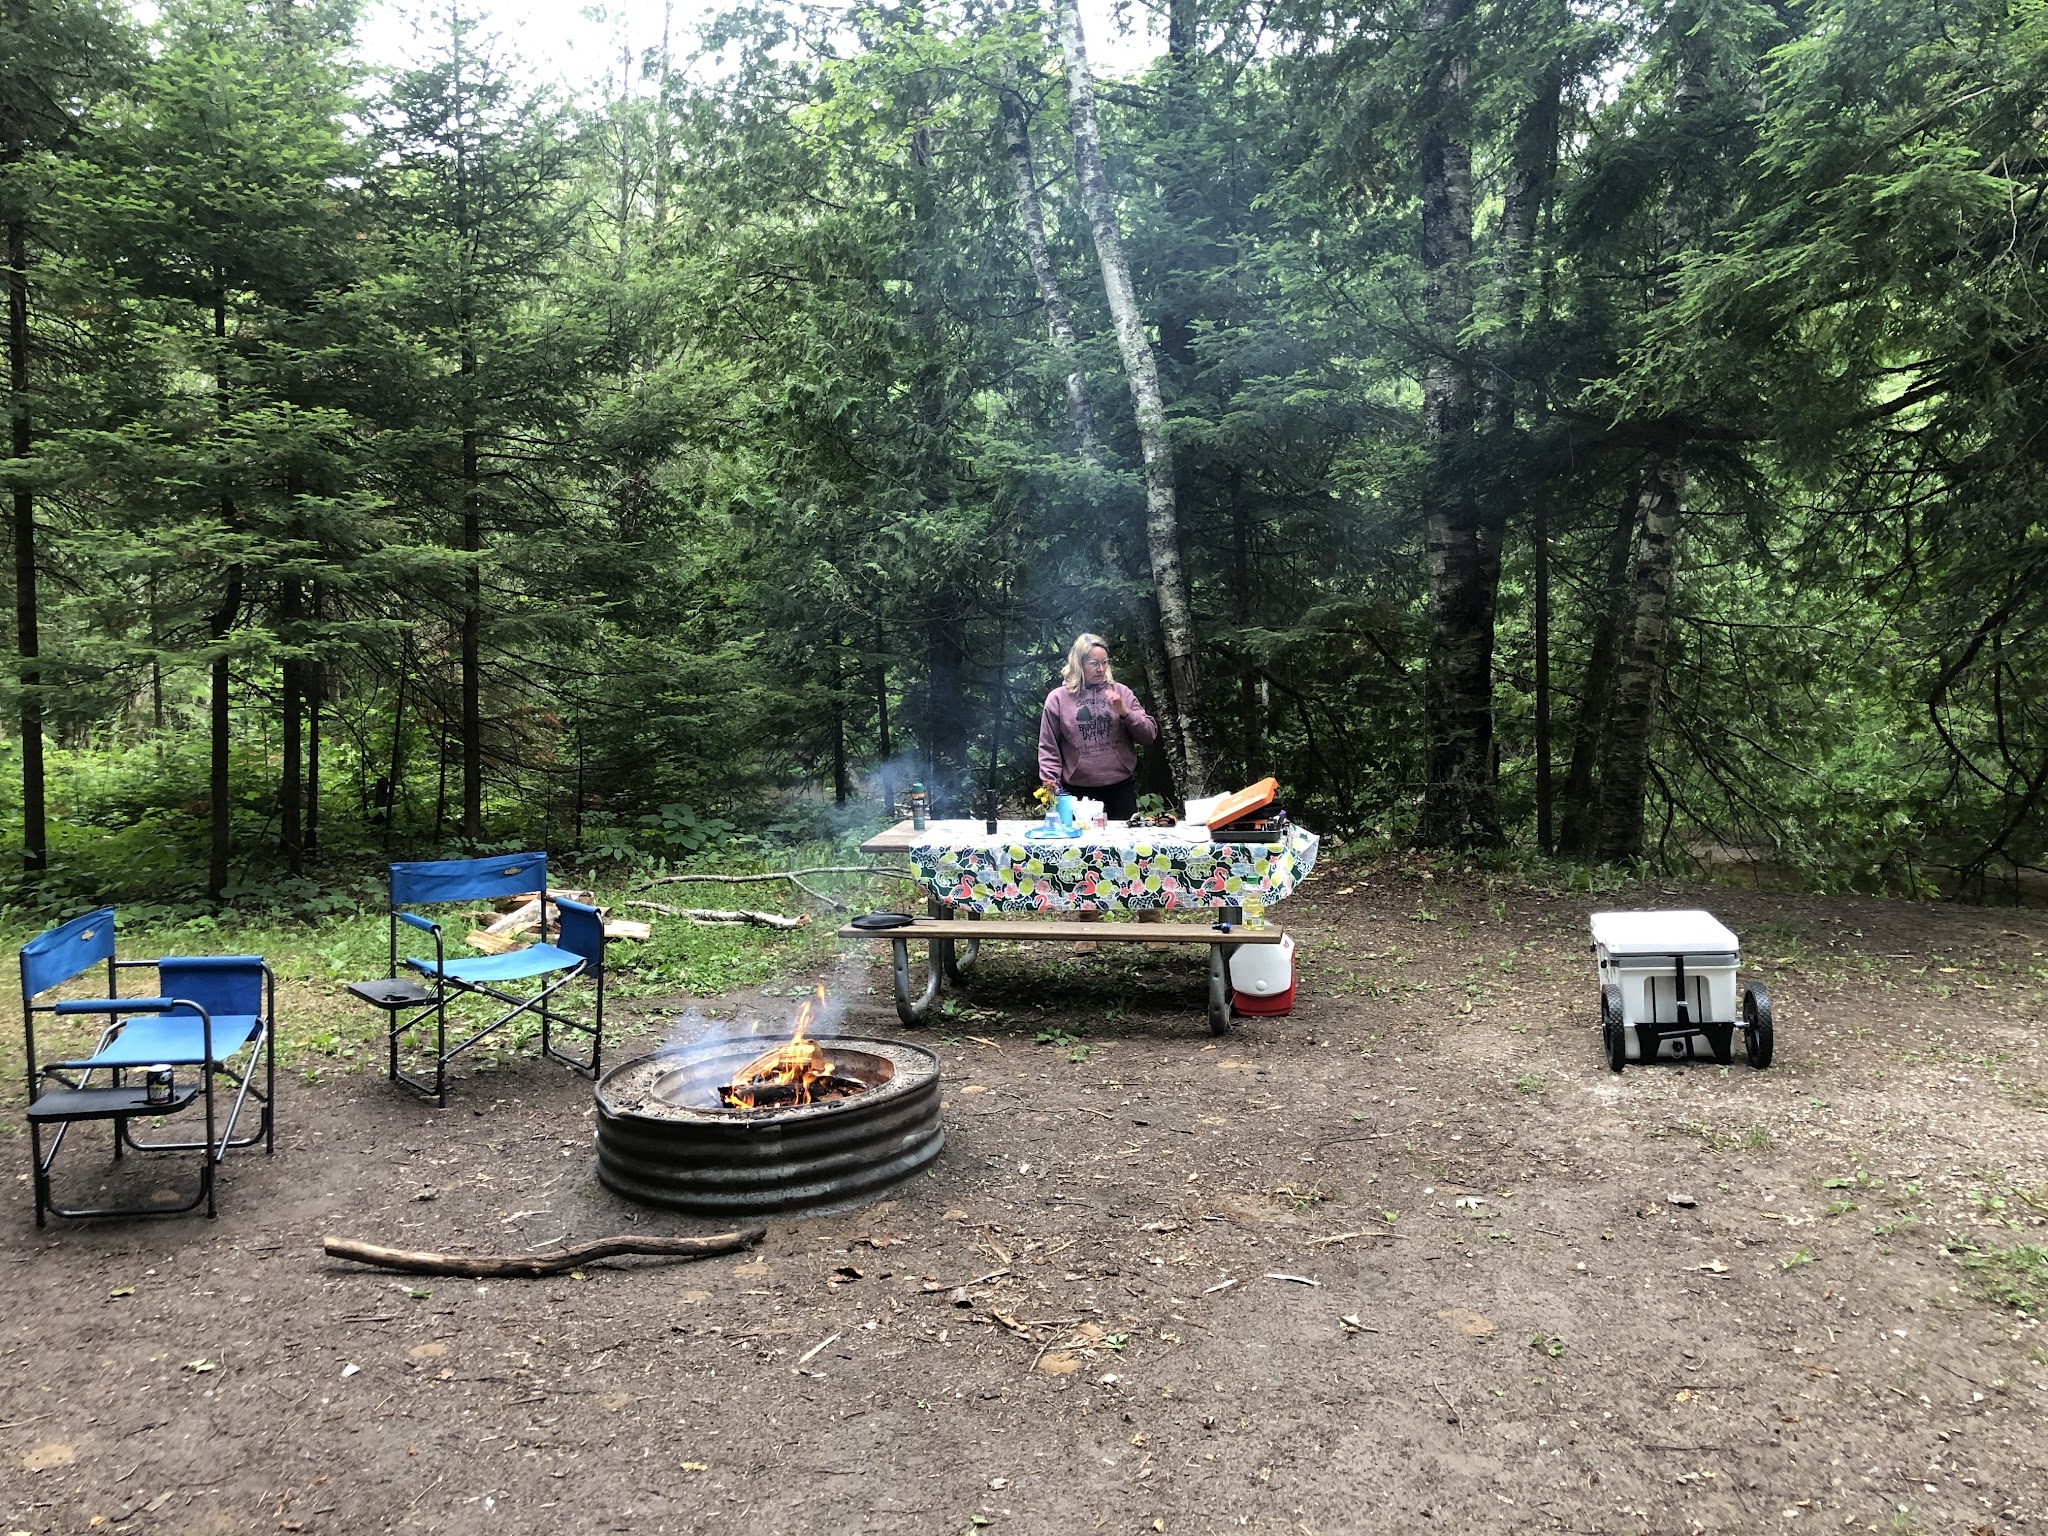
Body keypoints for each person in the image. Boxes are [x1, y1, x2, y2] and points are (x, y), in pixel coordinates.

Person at [1038, 633, 1165, 951]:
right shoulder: (1058, 699)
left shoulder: (1120, 692)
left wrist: (1125, 712)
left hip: (1120, 786)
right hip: (1079, 793)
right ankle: (1088, 929)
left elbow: (1149, 734)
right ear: (1079, 664)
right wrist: (1050, 785)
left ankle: (1150, 924)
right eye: (1094, 662)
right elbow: (1049, 747)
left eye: (1104, 662)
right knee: (1084, 859)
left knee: (1135, 855)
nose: (1100, 668)